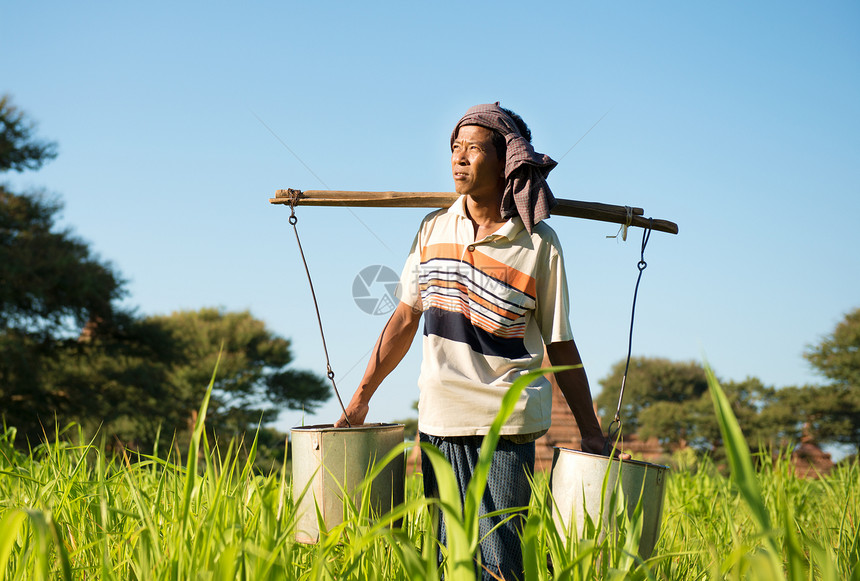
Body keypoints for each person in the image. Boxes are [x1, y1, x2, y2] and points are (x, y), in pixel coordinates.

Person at [335, 103, 621, 580]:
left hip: (506, 423)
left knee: (501, 559)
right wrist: (361, 397)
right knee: (450, 562)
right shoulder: (432, 228)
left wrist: (590, 431)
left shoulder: (538, 244)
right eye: (454, 147)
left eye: (472, 148)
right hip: (439, 417)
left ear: (507, 161)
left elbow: (561, 344)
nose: (458, 158)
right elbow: (405, 318)